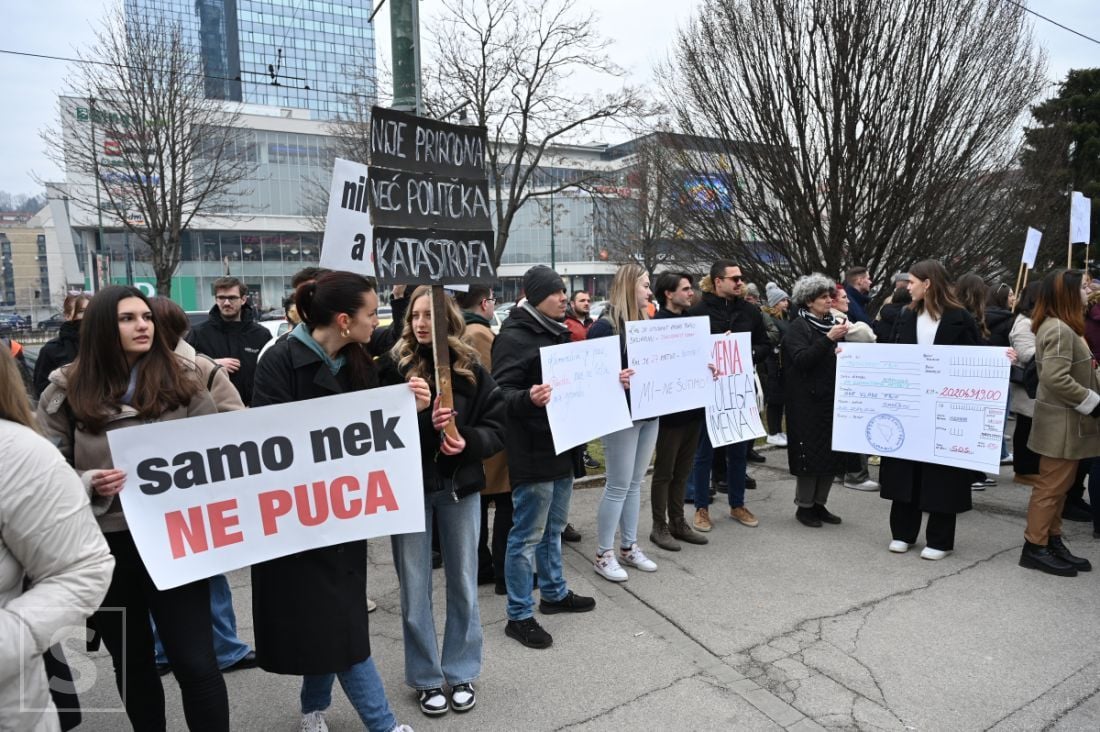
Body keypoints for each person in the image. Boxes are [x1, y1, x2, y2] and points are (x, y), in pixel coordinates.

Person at [36, 285, 229, 730]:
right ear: (104, 326)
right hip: (104, 548)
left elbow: (218, 450)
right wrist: (87, 483)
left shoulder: (184, 376)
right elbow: (45, 472)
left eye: (146, 317)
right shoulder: (65, 388)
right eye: (127, 318)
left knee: (197, 663)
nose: (142, 325)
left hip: (177, 540)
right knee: (134, 663)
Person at [251, 271, 423, 732]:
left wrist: (410, 403)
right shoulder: (279, 362)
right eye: (371, 314)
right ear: (345, 321)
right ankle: (383, 725)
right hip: (299, 520)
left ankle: (312, 708)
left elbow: (378, 424)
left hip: (345, 515)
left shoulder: (359, 360)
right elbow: (271, 446)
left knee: (328, 620)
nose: (377, 322)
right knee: (340, 627)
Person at [380, 286, 505, 717]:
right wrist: (414, 416)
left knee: (464, 584)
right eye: (414, 315)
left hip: (459, 490)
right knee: (415, 591)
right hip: (408, 493)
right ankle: (425, 678)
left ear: (446, 318)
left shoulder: (470, 370)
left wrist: (465, 441)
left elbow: (496, 428)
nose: (419, 323)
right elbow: (377, 436)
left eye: (428, 315)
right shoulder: (392, 368)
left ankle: (461, 669)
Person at [1, 346, 114, 732]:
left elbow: (82, 567)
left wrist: (10, 639)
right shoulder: (62, 385)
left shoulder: (15, 452)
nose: (140, 327)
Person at [147, 298, 256, 675]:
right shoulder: (124, 372)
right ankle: (162, 651)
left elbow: (236, 419)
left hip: (197, 487)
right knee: (157, 571)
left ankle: (225, 647)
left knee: (210, 571)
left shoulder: (201, 369)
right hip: (152, 493)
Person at [493, 265, 596, 650]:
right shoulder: (514, 338)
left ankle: (554, 594)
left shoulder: (558, 331)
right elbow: (500, 394)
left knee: (553, 531)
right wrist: (528, 397)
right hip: (533, 451)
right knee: (526, 537)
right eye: (556, 292)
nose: (564, 298)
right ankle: (519, 615)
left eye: (564, 291)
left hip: (562, 446)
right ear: (536, 295)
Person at [880, 260, 991, 561]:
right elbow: (889, 354)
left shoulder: (960, 317)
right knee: (906, 470)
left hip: (946, 409)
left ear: (928, 283)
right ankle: (903, 533)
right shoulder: (906, 315)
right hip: (910, 408)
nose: (907, 286)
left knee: (942, 472)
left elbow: (977, 358)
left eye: (912, 281)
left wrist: (1000, 358)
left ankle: (940, 540)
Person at [1019, 269, 1097, 577]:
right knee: (1050, 489)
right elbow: (1055, 378)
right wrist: (1094, 402)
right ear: (1066, 293)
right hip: (1061, 425)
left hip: (1067, 424)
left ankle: (1051, 540)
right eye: (1084, 286)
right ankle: (1035, 546)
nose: (1088, 290)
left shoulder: (1064, 326)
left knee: (1059, 488)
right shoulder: (1060, 329)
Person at [587, 264, 661, 580]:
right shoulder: (604, 328)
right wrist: (612, 378)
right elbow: (589, 377)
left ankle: (628, 547)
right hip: (621, 417)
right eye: (645, 285)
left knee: (634, 482)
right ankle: (604, 553)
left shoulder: (645, 324)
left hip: (649, 413)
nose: (649, 291)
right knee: (618, 485)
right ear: (629, 286)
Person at [686, 259, 771, 531]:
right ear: (717, 281)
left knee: (737, 451)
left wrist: (746, 352)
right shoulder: (697, 312)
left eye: (741, 278)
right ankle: (701, 508)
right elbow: (688, 351)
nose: (739, 282)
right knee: (704, 452)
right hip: (709, 390)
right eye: (733, 278)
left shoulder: (750, 311)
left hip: (739, 389)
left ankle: (737, 504)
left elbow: (765, 344)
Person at [456, 286, 514, 595]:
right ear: (484, 302)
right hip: (490, 431)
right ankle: (500, 570)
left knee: (479, 501)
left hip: (475, 430)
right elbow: (493, 381)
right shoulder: (479, 333)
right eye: (492, 301)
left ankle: (483, 565)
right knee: (504, 500)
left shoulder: (462, 329)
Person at [648, 272, 709, 551]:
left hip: (693, 408)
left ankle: (677, 521)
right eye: (685, 289)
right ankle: (658, 526)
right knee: (665, 472)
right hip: (670, 414)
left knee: (683, 470)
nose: (691, 293)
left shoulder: (692, 324)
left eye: (691, 288)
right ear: (668, 294)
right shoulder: (657, 326)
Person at [784, 274, 848, 527]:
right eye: (823, 297)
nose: (828, 300)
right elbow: (802, 360)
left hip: (832, 400)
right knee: (810, 456)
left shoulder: (835, 324)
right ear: (808, 302)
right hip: (806, 404)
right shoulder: (798, 328)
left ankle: (820, 504)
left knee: (831, 455)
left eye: (830, 295)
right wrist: (829, 339)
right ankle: (805, 507)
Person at [186, 276, 272, 405]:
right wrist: (212, 364)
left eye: (232, 298)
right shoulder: (199, 333)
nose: (226, 303)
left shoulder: (261, 335)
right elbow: (182, 367)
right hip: (212, 411)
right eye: (221, 298)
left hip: (254, 409)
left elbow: (272, 374)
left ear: (243, 299)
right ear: (216, 299)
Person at [830, 287, 880, 492]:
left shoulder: (836, 318)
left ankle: (841, 472)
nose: (848, 302)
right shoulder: (837, 320)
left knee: (843, 427)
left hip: (842, 381)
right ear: (832, 301)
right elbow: (867, 335)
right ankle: (856, 475)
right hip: (850, 382)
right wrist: (860, 325)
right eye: (844, 298)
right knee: (855, 424)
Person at [1009, 282, 1041, 483]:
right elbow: (1025, 352)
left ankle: (1029, 468)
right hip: (1026, 385)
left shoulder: (1034, 320)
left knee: (1029, 426)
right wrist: (1051, 352)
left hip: (1033, 382)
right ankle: (1024, 470)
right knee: (1025, 427)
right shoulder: (1024, 322)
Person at [32, 292, 90, 398]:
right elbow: (41, 390)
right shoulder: (51, 349)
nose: (87, 316)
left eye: (91, 311)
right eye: (81, 311)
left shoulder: (107, 344)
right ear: (67, 315)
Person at [761, 282, 791, 447]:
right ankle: (772, 431)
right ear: (774, 303)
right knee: (774, 399)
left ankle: (778, 430)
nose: (786, 303)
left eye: (786, 300)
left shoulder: (785, 317)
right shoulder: (768, 318)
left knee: (780, 398)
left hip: (782, 363)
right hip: (772, 363)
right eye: (782, 301)